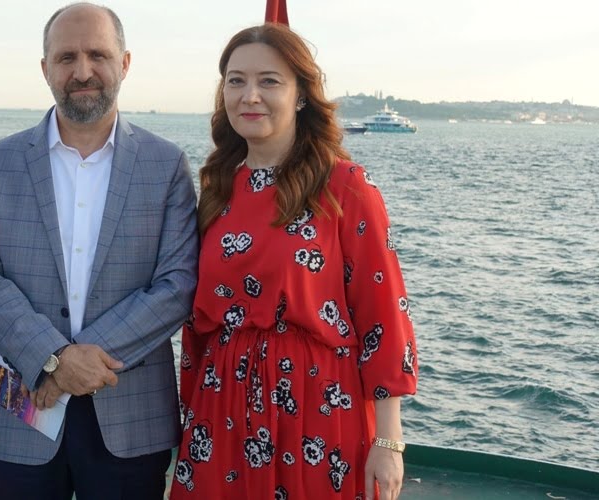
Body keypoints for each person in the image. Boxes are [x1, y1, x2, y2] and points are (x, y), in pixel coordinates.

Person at [0, 3, 199, 499]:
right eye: (66, 57)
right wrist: (52, 358)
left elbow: (177, 284)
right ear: (45, 68)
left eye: (98, 55)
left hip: (130, 411)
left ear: (124, 63)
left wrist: (74, 363)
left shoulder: (167, 165)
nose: (82, 71)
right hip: (19, 408)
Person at [171, 24, 418, 500]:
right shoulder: (218, 187)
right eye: (236, 81)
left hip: (317, 409)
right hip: (222, 408)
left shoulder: (346, 186)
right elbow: (198, 324)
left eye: (269, 81)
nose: (250, 96)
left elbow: (384, 315)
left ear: (301, 94)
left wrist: (389, 441)